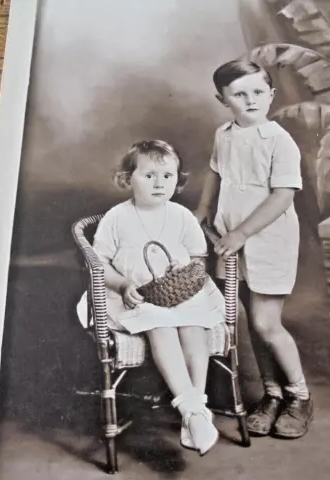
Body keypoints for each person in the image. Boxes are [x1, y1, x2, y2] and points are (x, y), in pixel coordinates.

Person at [76, 139, 225, 455]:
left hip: (180, 292)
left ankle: (193, 409)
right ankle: (193, 410)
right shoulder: (117, 217)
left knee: (194, 326)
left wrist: (183, 268)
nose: (160, 184)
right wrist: (121, 285)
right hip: (138, 296)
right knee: (159, 324)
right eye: (149, 176)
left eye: (167, 176)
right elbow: (99, 262)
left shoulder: (181, 216)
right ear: (128, 179)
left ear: (177, 180)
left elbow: (199, 258)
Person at [194, 59, 314, 439]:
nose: (250, 100)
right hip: (229, 238)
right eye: (239, 94)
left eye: (258, 92)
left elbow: (282, 197)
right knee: (249, 321)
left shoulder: (280, 140)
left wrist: (242, 233)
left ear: (271, 95)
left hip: (265, 239)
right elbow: (215, 171)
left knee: (266, 323)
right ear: (222, 99)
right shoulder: (224, 134)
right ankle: (272, 394)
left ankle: (299, 394)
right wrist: (202, 208)